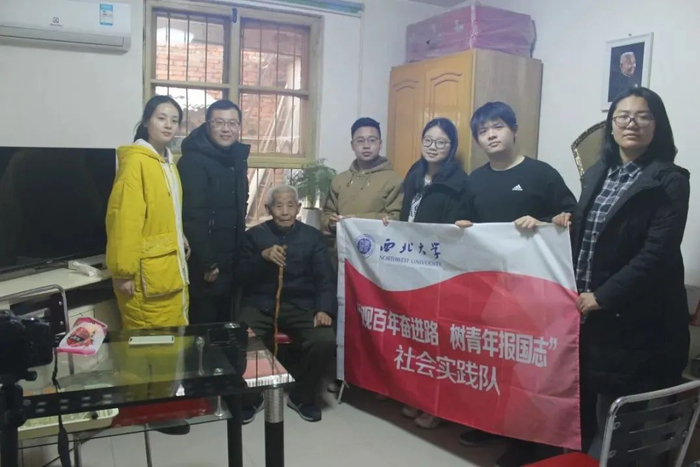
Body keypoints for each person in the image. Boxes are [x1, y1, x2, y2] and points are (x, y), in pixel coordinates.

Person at [553, 87, 690, 462]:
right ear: (611, 126)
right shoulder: (598, 173)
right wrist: (568, 221)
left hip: (636, 320)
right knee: (587, 408)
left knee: (622, 420)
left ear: (657, 125)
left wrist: (603, 296)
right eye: (623, 116)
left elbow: (656, 253)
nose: (632, 123)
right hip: (591, 318)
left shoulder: (670, 180)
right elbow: (595, 233)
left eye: (643, 116)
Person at [457, 101, 577, 466]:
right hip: (487, 285)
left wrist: (546, 222)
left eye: (497, 127)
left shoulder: (541, 174)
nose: (491, 135)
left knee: (524, 365)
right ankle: (490, 424)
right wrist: (461, 226)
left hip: (531, 289)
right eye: (483, 131)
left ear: (513, 129)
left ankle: (525, 442)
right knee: (489, 358)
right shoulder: (474, 180)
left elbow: (572, 216)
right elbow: (463, 223)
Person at [389, 117, 476, 429]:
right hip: (410, 266)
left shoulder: (460, 181)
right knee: (415, 337)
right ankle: (417, 397)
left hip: (440, 270)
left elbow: (459, 227)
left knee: (436, 340)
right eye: (428, 140)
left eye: (441, 142)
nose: (433, 147)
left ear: (452, 147)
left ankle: (436, 406)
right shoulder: (415, 173)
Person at [237, 185, 336, 423]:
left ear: (298, 208)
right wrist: (261, 258)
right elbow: (240, 276)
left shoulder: (312, 237)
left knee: (324, 339)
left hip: (301, 305)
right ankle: (251, 397)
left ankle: (302, 396)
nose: (284, 211)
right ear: (268, 208)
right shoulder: (254, 235)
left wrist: (323, 309)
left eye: (290, 205)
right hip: (260, 304)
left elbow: (325, 278)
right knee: (242, 336)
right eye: (278, 205)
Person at [106, 95, 190, 330]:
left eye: (174, 120)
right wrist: (123, 272)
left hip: (168, 270)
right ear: (146, 121)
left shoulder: (167, 163)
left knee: (172, 339)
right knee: (149, 343)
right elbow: (124, 219)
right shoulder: (136, 162)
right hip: (144, 277)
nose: (168, 125)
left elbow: (164, 212)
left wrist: (179, 236)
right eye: (161, 118)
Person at [178, 100, 250, 325]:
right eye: (219, 122)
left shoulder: (236, 158)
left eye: (232, 123)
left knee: (227, 326)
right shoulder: (192, 160)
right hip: (207, 264)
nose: (226, 129)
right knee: (204, 328)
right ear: (207, 124)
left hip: (232, 258)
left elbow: (241, 203)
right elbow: (192, 216)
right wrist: (207, 262)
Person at [322, 117, 403, 235]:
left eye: (372, 140)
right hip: (343, 244)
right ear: (352, 145)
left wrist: (356, 219)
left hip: (377, 244)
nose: (366, 146)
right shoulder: (340, 180)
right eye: (360, 141)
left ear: (380, 144)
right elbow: (326, 214)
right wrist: (330, 223)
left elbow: (397, 218)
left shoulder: (394, 180)